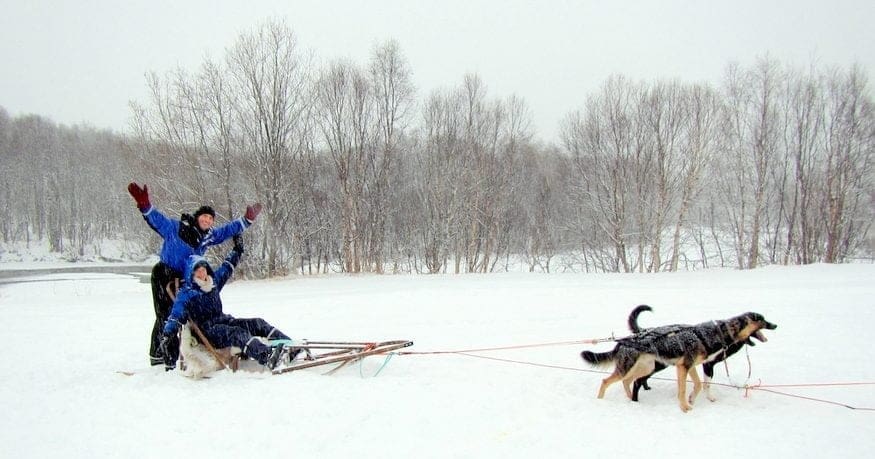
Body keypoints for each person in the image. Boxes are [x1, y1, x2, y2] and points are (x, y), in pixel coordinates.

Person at [127, 182, 262, 369]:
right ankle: (159, 356)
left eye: (210, 219)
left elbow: (227, 231)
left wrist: (246, 220)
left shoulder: (207, 236)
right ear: (197, 217)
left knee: (185, 317)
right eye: (204, 216)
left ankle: (183, 351)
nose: (207, 220)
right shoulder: (176, 228)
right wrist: (145, 205)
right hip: (164, 273)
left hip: (184, 277)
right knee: (165, 316)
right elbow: (157, 220)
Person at [161, 238, 291, 370]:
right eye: (197, 270)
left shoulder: (212, 283)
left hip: (224, 321)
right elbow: (176, 315)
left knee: (257, 323)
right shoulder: (187, 293)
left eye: (203, 269)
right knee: (237, 333)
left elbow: (226, 267)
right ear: (191, 273)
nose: (201, 273)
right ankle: (267, 355)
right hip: (207, 331)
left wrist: (237, 250)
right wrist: (168, 332)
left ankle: (289, 345)